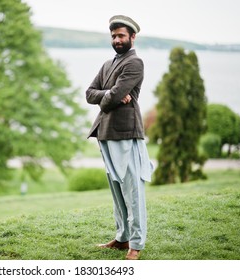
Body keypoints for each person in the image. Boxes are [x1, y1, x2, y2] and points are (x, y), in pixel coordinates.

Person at [86, 15, 153, 260]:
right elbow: (89, 94)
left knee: (132, 191)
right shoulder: (107, 64)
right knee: (116, 190)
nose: (117, 40)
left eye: (121, 35)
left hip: (126, 132)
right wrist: (110, 94)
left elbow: (110, 98)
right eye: (113, 36)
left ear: (132, 37)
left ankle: (136, 243)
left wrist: (110, 96)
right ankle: (122, 237)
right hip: (105, 132)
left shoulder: (135, 63)